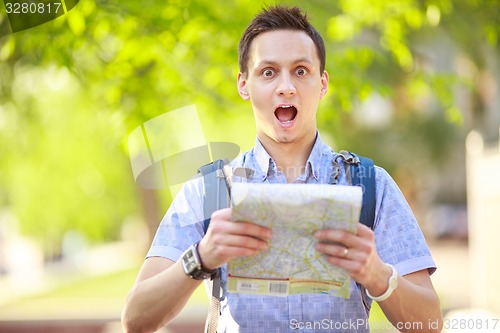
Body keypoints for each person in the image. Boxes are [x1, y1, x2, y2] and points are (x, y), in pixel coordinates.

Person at [122, 5, 443, 333]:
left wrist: (377, 274)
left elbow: (430, 324)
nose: (286, 87)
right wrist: (200, 258)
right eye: (268, 72)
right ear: (244, 85)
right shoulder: (209, 191)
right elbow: (135, 319)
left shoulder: (371, 185)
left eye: (301, 71)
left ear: (323, 83)